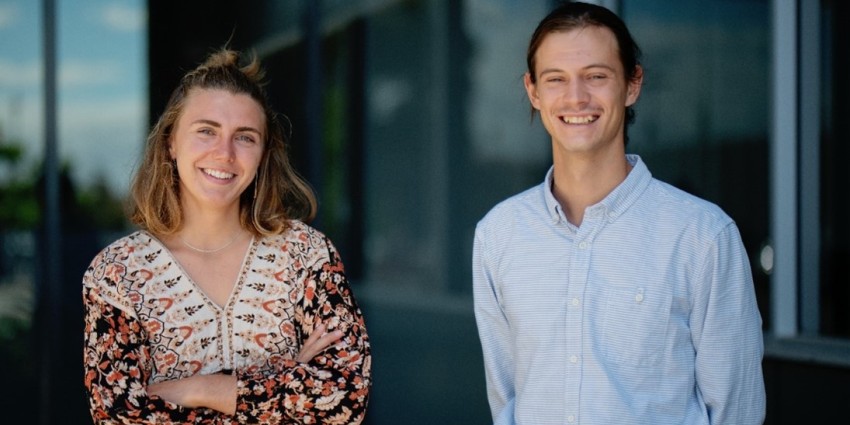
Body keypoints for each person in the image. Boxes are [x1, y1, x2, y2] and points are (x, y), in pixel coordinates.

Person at [472, 2, 765, 424]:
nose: (576, 97)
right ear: (533, 91)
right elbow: (507, 399)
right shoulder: (499, 234)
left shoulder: (702, 236)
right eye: (556, 79)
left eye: (596, 76)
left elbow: (737, 411)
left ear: (632, 84)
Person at [83, 48, 371, 424]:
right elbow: (118, 416)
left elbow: (346, 397)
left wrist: (201, 389)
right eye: (206, 131)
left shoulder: (307, 255)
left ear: (263, 152)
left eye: (245, 137)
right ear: (171, 141)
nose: (225, 153)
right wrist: (290, 377)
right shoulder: (117, 274)